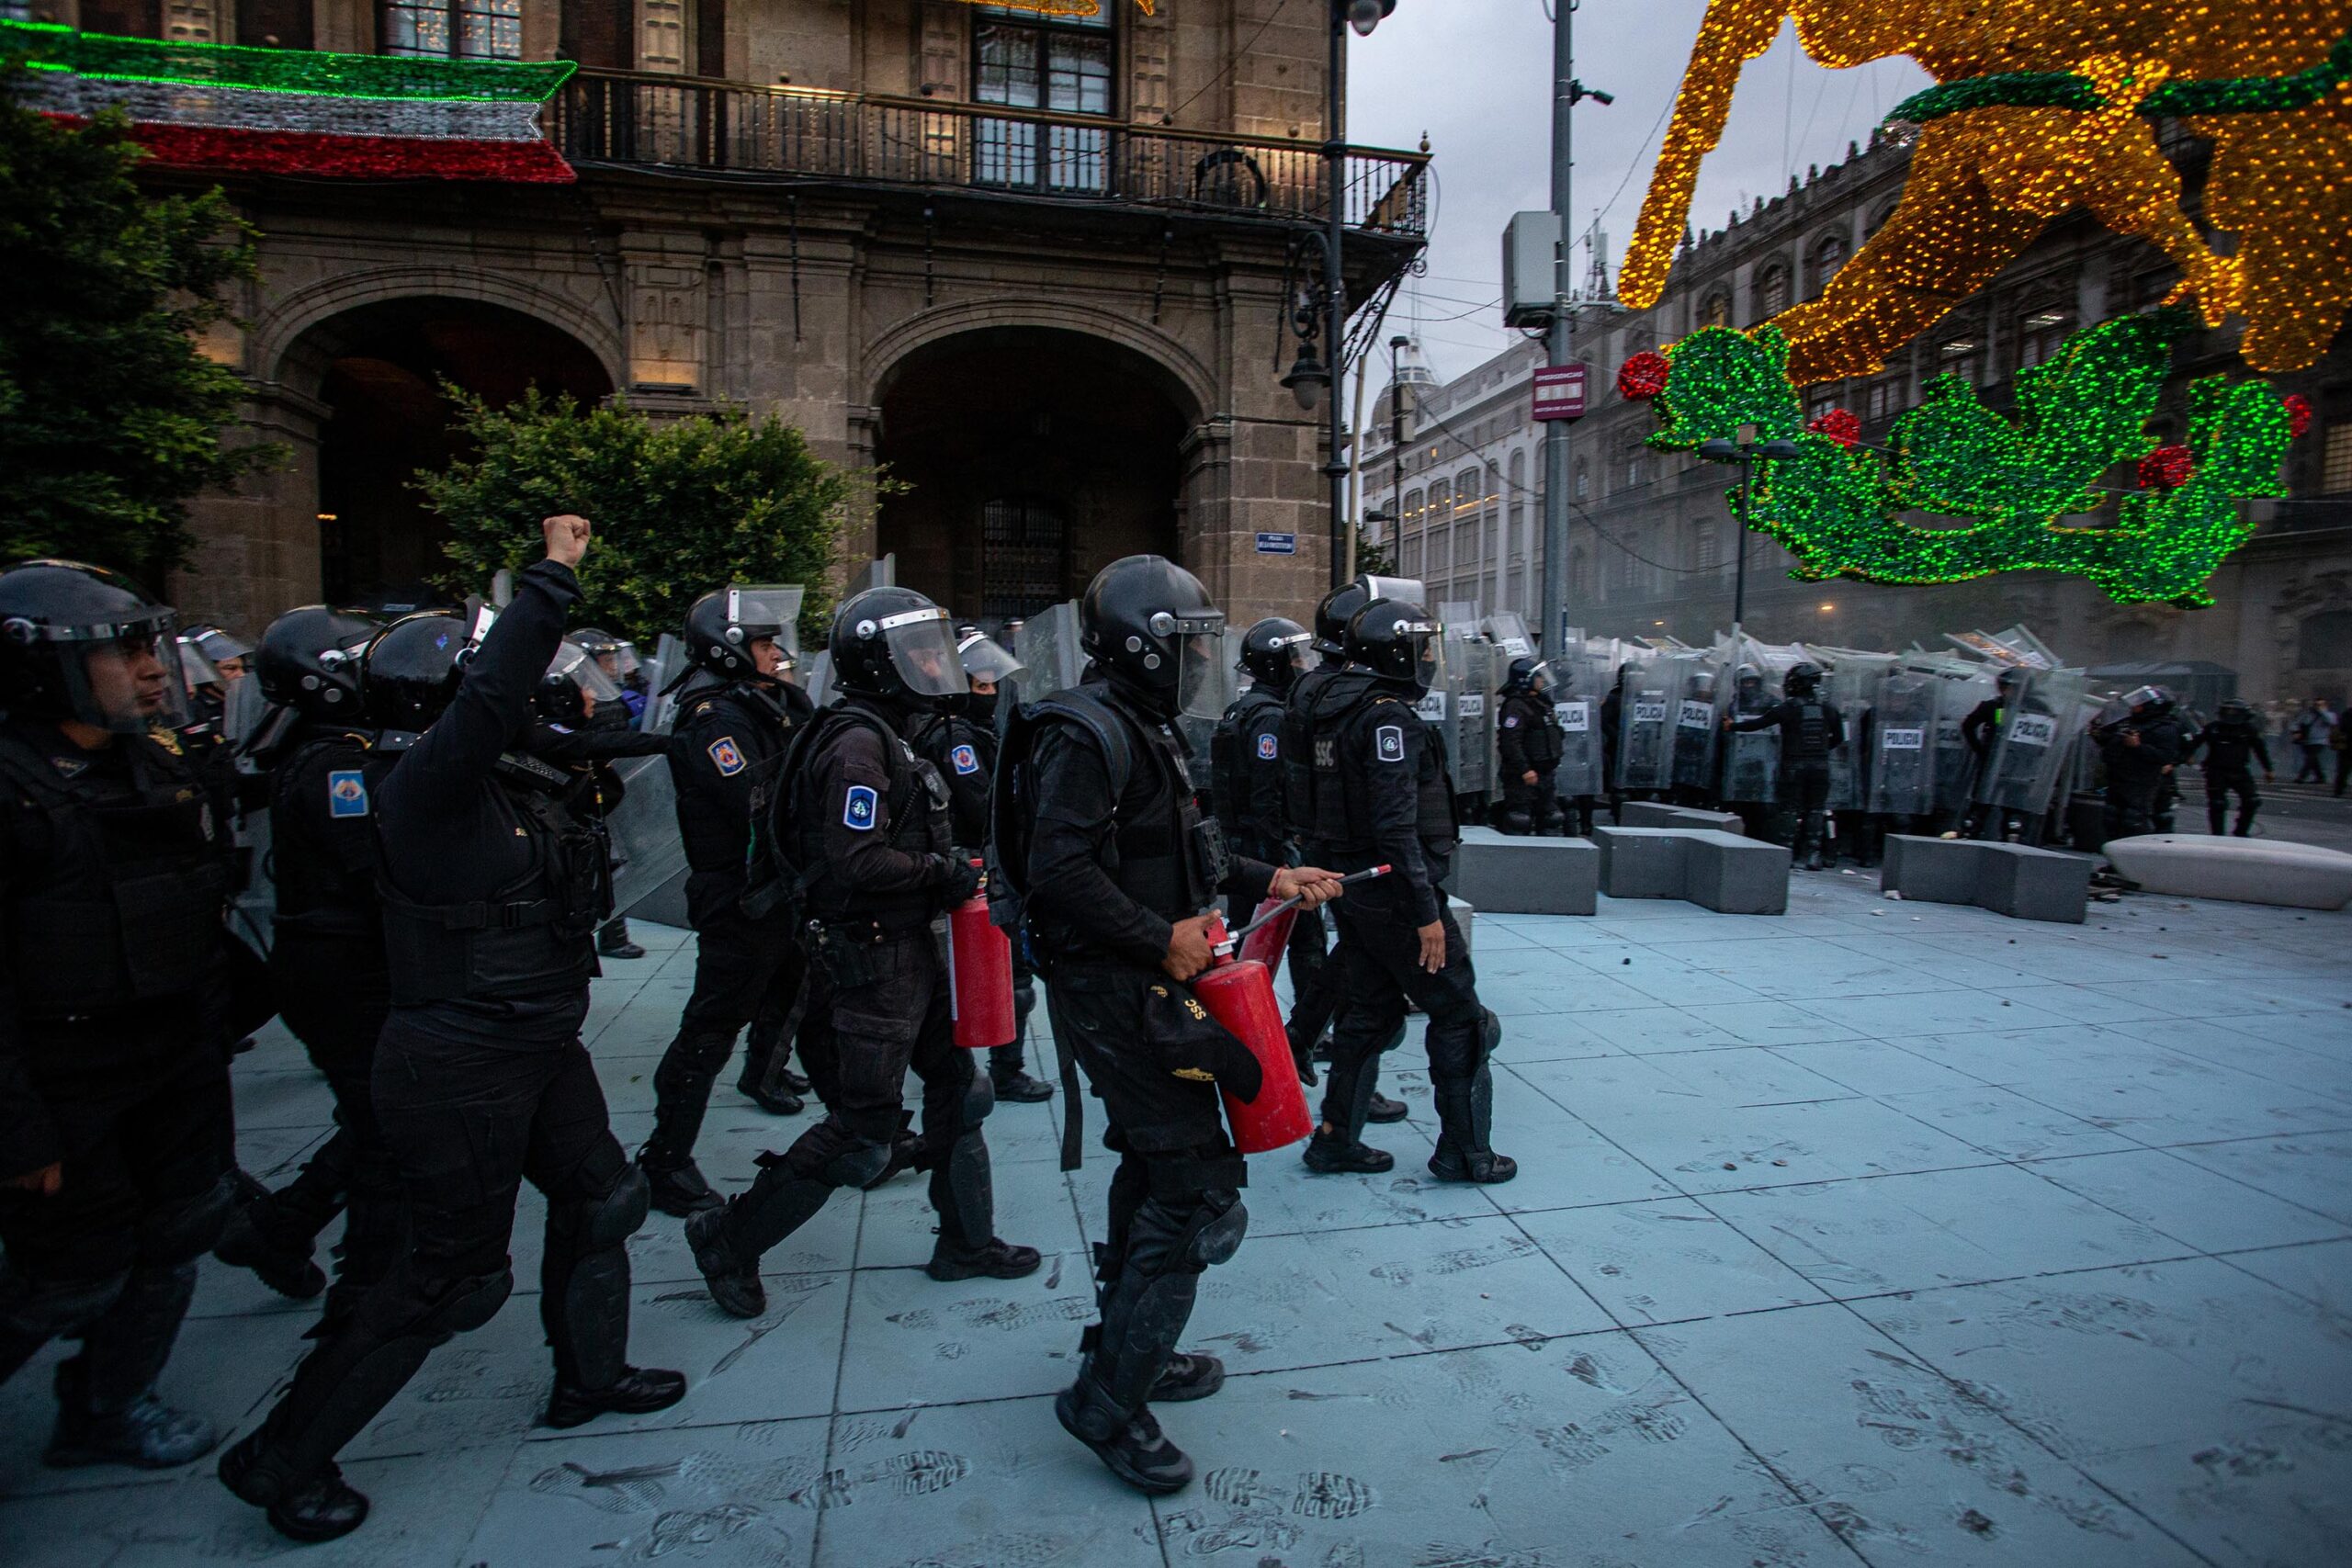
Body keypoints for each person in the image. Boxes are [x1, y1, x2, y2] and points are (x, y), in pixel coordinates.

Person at [220, 516, 684, 1543]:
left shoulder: (507, 774)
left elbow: (594, 740)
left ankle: (588, 1378)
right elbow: (488, 701)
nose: (533, 704)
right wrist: (552, 576)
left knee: (606, 1197)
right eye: (508, 693)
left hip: (535, 1042)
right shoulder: (427, 788)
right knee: (455, 1279)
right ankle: (281, 1456)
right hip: (459, 1061)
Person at [995, 554, 1342, 1495]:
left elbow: (1185, 851)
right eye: (1186, 645)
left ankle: (1128, 1347)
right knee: (1196, 1192)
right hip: (1118, 992)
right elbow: (1056, 870)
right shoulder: (1086, 735)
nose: (1197, 663)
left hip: (1147, 981)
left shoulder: (1141, 726)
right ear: (1143, 646)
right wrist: (1160, 940)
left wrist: (1270, 880)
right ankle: (1107, 1402)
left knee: (1156, 1167)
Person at [684, 586, 1040, 1318]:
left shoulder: (892, 727)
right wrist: (948, 874)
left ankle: (967, 1242)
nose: (933, 663)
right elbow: (858, 862)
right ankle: (728, 1237)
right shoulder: (857, 741)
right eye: (917, 651)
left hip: (914, 944)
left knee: (958, 1088)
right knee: (861, 1132)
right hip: (874, 958)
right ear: (878, 661)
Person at [0, 560, 241, 1472]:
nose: (150, 670)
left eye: (150, 647)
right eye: (121, 651)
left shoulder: (157, 761)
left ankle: (110, 1401)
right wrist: (18, 1130)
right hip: (63, 1079)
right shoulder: (13, 785)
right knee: (70, 1271)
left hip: (171, 1053)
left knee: (182, 1225)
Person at [210, 606, 405, 1326]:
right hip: (340, 973)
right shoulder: (335, 763)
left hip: (344, 965)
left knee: (378, 1116)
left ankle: (280, 1226)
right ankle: (369, 1295)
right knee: (386, 1129)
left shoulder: (342, 748)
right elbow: (375, 866)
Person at [1299, 597, 1515, 1184]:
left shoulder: (1334, 706)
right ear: (1397, 651)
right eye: (1420, 647)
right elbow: (1396, 825)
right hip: (1395, 891)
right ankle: (1466, 1154)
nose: (1426, 658)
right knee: (1461, 1016)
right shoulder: (1386, 716)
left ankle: (1335, 1139)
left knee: (1368, 1013)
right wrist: (1426, 914)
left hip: (1357, 887)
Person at [637, 588, 820, 1217]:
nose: (777, 655)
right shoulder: (714, 716)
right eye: (766, 645)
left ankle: (775, 1079)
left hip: (778, 885)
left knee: (798, 990)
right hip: (737, 893)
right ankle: (665, 1159)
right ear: (732, 648)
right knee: (711, 1026)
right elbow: (751, 796)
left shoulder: (763, 703)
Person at [910, 629, 1053, 1103]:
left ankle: (987, 1072)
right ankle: (997, 1073)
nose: (990, 695)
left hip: (980, 866)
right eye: (981, 686)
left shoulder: (971, 732)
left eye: (994, 686)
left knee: (1004, 979)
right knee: (996, 980)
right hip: (969, 869)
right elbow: (981, 803)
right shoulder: (954, 739)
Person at [1211, 616, 1334, 1084]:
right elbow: (1266, 793)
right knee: (1308, 944)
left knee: (1244, 938)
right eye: (1296, 657)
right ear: (1276, 662)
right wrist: (1282, 856)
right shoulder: (1269, 717)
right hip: (1264, 851)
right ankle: (1310, 1030)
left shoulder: (1239, 710)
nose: (1303, 665)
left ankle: (1235, 1023)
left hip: (1240, 849)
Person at [1726, 661, 1845, 869]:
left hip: (1793, 766)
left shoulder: (1787, 709)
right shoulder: (1829, 709)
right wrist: (1821, 751)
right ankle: (1813, 855)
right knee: (1816, 810)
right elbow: (1839, 738)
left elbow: (1758, 724)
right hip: (1820, 767)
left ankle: (1787, 851)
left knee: (1789, 810)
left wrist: (1732, 726)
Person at [2094, 685, 2187, 842]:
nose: (2135, 707)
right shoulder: (2128, 722)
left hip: (2141, 782)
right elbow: (2107, 737)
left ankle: (2133, 861)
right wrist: (2097, 732)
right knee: (2111, 817)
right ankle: (2113, 863)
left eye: (2140, 704)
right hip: (2117, 778)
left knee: (2133, 820)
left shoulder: (2165, 728)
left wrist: (2138, 747)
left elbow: (2164, 756)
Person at [1493, 656, 1565, 835]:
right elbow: (1510, 742)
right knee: (1520, 819)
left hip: (1545, 773)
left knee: (1551, 818)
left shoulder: (1541, 703)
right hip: (1523, 776)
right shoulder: (1515, 706)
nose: (1542, 680)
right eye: (1538, 676)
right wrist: (1525, 769)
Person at [2183, 697, 2272, 836]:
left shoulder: (2248, 730)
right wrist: (2188, 755)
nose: (2231, 714)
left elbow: (2260, 749)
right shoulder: (2213, 728)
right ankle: (2217, 834)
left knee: (2252, 801)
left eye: (2234, 711)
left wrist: (2268, 769)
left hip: (2240, 770)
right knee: (2217, 803)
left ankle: (2241, 831)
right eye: (2228, 710)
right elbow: (2195, 742)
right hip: (2216, 770)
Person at [2291, 697, 2335, 783]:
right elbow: (2295, 723)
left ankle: (2302, 776)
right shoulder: (2308, 714)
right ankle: (2320, 777)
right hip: (2307, 741)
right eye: (2317, 704)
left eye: (2320, 704)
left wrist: (2322, 712)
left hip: (2320, 741)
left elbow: (2331, 722)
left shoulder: (2330, 714)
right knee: (2313, 760)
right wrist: (2296, 732)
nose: (2318, 706)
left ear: (2325, 705)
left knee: (2311, 758)